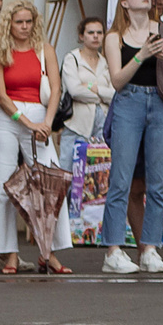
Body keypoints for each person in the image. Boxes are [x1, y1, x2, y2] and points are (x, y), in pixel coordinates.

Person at [99, 0, 163, 276]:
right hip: (130, 101)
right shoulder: (115, 36)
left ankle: (149, 248)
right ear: (125, 3)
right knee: (121, 179)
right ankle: (113, 248)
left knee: (158, 181)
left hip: (161, 105)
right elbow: (117, 80)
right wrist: (142, 55)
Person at [0, 0, 66, 275]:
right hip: (8, 117)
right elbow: (0, 95)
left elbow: (56, 90)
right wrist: (28, 122)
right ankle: (9, 255)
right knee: (3, 186)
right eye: (19, 22)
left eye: (28, 21)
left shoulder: (46, 50)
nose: (24, 27)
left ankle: (49, 253)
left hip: (41, 116)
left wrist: (47, 123)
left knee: (50, 184)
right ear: (9, 23)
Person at [57, 15, 113, 251]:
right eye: (91, 32)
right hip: (76, 124)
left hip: (103, 124)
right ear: (81, 35)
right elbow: (74, 89)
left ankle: (91, 229)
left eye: (99, 32)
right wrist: (101, 91)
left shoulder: (107, 61)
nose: (96, 37)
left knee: (97, 179)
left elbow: (116, 92)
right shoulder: (72, 58)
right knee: (66, 175)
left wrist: (93, 88)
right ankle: (59, 231)